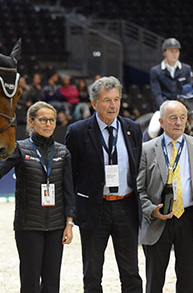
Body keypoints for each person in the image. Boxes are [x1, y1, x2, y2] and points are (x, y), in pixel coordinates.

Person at [0, 101, 75, 293]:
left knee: (52, 282)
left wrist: (69, 224)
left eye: (51, 120)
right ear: (31, 122)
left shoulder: (62, 152)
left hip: (56, 226)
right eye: (43, 120)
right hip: (28, 226)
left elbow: (68, 191)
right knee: (30, 281)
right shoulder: (19, 148)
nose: (48, 124)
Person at [64, 76, 143, 293]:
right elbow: (69, 175)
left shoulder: (133, 129)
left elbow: (139, 170)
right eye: (107, 100)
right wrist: (69, 214)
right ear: (94, 103)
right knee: (92, 274)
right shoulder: (78, 132)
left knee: (131, 273)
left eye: (116, 99)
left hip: (126, 207)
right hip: (93, 209)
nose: (113, 105)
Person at [136, 100, 193, 293]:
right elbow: (138, 190)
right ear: (161, 121)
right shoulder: (146, 149)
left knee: (186, 281)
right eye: (173, 118)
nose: (178, 122)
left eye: (182, 118)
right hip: (158, 220)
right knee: (154, 282)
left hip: (189, 220)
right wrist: (151, 210)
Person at [148, 38, 193, 140]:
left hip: (184, 110)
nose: (174, 54)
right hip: (163, 109)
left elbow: (190, 93)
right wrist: (167, 109)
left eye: (176, 51)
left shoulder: (186, 69)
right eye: (171, 51)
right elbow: (157, 94)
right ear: (164, 52)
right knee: (153, 130)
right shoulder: (156, 71)